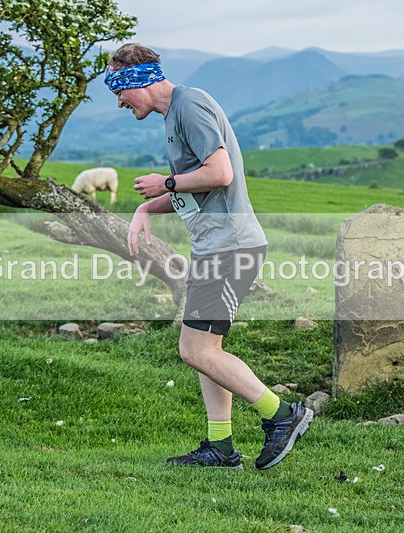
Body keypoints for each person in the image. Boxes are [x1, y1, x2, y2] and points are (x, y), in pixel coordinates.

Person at [104, 43, 313, 470]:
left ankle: (281, 415)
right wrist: (147, 207)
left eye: (119, 92)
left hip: (230, 246)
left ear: (137, 81)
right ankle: (220, 446)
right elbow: (197, 187)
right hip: (216, 246)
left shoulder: (189, 104)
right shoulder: (174, 115)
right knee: (204, 347)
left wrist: (165, 183)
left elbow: (220, 173)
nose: (119, 102)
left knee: (196, 349)